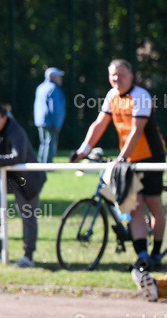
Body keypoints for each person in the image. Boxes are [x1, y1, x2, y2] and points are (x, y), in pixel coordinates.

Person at [71, 59, 166, 270]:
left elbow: (136, 130)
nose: (116, 79)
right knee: (134, 207)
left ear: (131, 76)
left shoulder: (141, 96)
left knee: (154, 205)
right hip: (129, 160)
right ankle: (142, 256)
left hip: (150, 157)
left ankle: (157, 252)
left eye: (121, 75)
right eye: (113, 75)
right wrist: (82, 151)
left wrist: (121, 158)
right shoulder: (111, 96)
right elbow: (99, 124)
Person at [0, 103, 45, 267]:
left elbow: (18, 157)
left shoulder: (16, 131)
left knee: (27, 215)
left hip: (28, 179)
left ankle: (28, 257)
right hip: (7, 177)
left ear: (4, 118)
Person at [34, 67, 66, 163]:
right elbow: (56, 109)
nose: (60, 79)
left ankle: (41, 164)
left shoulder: (40, 87)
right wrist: (58, 124)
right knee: (49, 143)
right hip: (50, 121)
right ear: (53, 77)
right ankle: (47, 165)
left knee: (43, 143)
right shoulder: (54, 89)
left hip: (40, 120)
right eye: (59, 76)